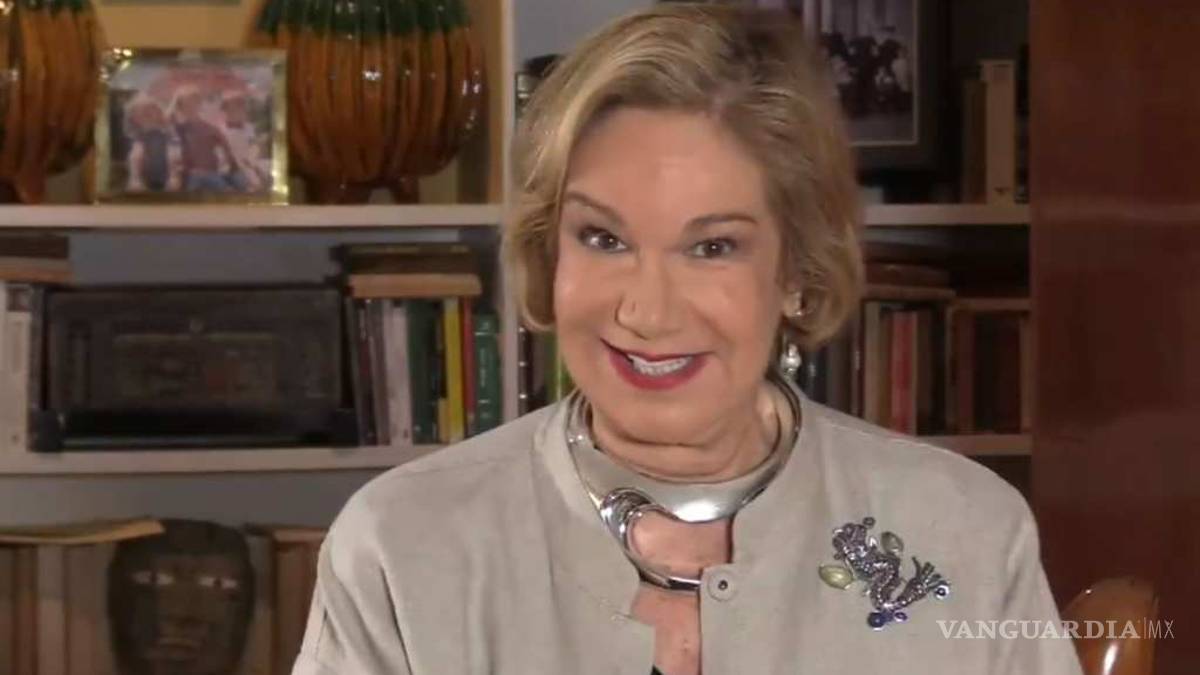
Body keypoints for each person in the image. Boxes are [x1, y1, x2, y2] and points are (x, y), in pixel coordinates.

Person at [293, 5, 1083, 674]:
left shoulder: (964, 531)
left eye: (711, 246)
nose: (648, 311)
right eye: (603, 238)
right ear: (548, 252)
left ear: (796, 270)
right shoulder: (401, 544)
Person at [168, 85, 239, 193]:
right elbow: (168, 117)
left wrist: (232, 164)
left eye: (193, 103)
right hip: (191, 174)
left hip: (210, 172)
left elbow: (225, 146)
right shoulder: (180, 128)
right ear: (180, 107)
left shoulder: (209, 127)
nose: (190, 108)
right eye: (185, 105)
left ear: (199, 104)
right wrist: (176, 100)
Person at [124, 94, 176, 192]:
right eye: (141, 113)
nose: (146, 114)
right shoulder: (137, 136)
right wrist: (135, 178)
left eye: (149, 110)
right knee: (137, 151)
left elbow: (173, 154)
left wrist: (174, 176)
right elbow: (135, 157)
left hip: (166, 176)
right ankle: (136, 179)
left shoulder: (166, 133)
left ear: (158, 112)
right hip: (146, 178)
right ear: (134, 118)